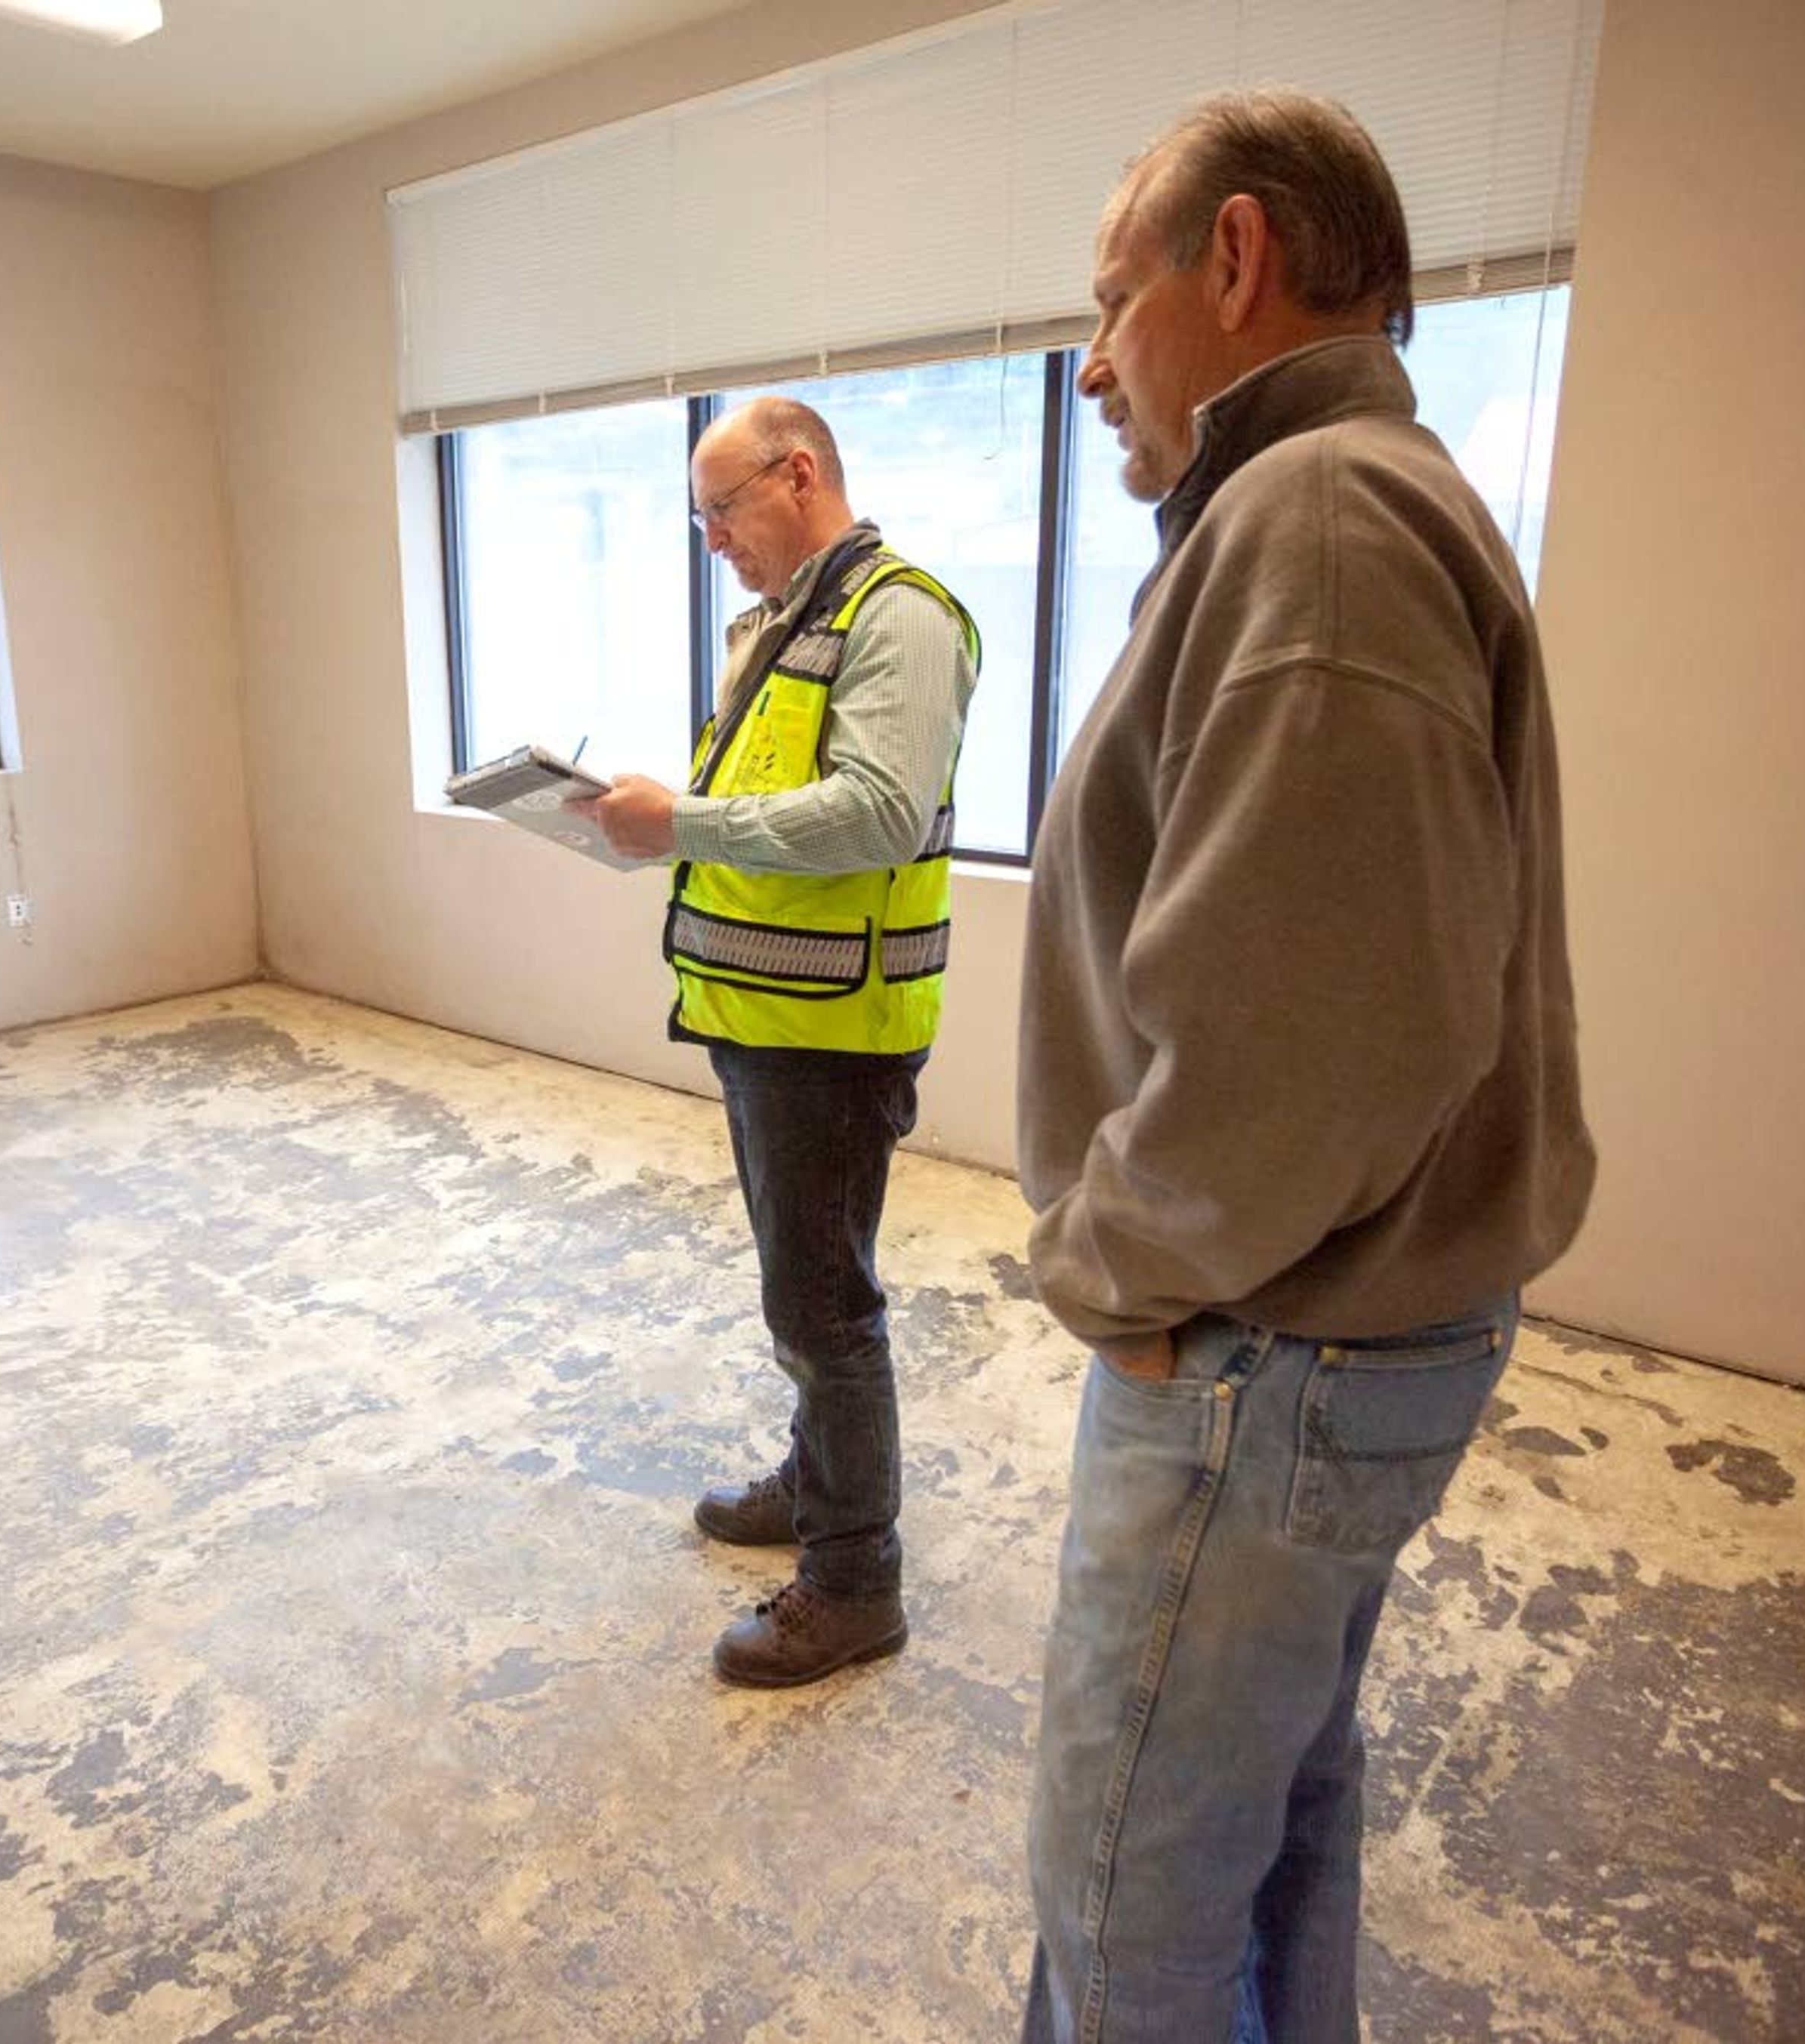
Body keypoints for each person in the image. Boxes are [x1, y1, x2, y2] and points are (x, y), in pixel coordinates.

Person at [1016, 91, 1594, 2039]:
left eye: (1116, 298)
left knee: (1129, 1885)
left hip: (1262, 1345)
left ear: (1238, 259)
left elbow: (1319, 1048)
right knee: (1267, 1822)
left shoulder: (1320, 519)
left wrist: (1110, 1260)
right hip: (1327, 1341)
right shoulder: (1343, 499)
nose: (1091, 364)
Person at [574, 396, 980, 1688]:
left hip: (835, 1032)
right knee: (802, 1296)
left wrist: (678, 825)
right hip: (769, 1013)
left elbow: (874, 814)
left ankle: (856, 1581)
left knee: (826, 1307)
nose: (711, 542)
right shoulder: (795, 623)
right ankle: (820, 1482)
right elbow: (773, 803)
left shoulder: (898, 618)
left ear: (796, 476)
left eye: (721, 512)